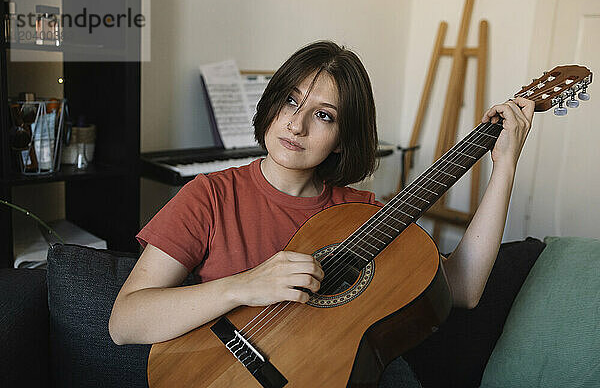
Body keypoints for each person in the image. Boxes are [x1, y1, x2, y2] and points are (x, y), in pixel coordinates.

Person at [109, 40, 534, 387]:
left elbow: (463, 288)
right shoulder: (209, 196)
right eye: (291, 102)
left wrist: (505, 167)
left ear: (342, 140)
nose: (296, 125)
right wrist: (243, 287)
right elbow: (124, 322)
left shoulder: (364, 217)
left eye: (324, 116)